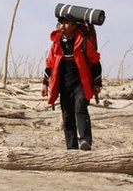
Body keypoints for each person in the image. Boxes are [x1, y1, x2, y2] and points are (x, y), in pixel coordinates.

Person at [41, 15, 102, 150]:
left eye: (67, 23)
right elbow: (50, 64)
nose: (63, 25)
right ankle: (71, 148)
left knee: (80, 107)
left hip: (81, 83)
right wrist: (45, 83)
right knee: (67, 115)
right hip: (64, 85)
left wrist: (97, 83)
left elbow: (95, 61)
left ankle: (85, 140)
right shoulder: (56, 43)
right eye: (62, 23)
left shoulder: (83, 41)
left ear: (74, 26)